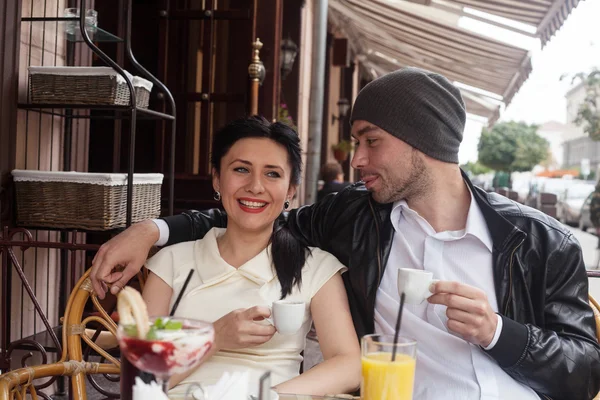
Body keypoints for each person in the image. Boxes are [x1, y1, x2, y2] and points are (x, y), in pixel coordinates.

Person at [91, 68, 600, 400]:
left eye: (370, 141)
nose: (355, 160)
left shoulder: (540, 241)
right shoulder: (353, 218)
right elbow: (250, 215)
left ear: (423, 142)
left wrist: (497, 331)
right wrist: (151, 230)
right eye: (356, 141)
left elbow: (584, 372)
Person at [137, 116, 360, 396]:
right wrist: (215, 337)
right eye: (241, 169)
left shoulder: (315, 267)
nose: (255, 186)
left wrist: (269, 395)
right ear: (217, 178)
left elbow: (348, 364)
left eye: (272, 174)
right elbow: (142, 377)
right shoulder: (171, 263)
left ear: (291, 189)